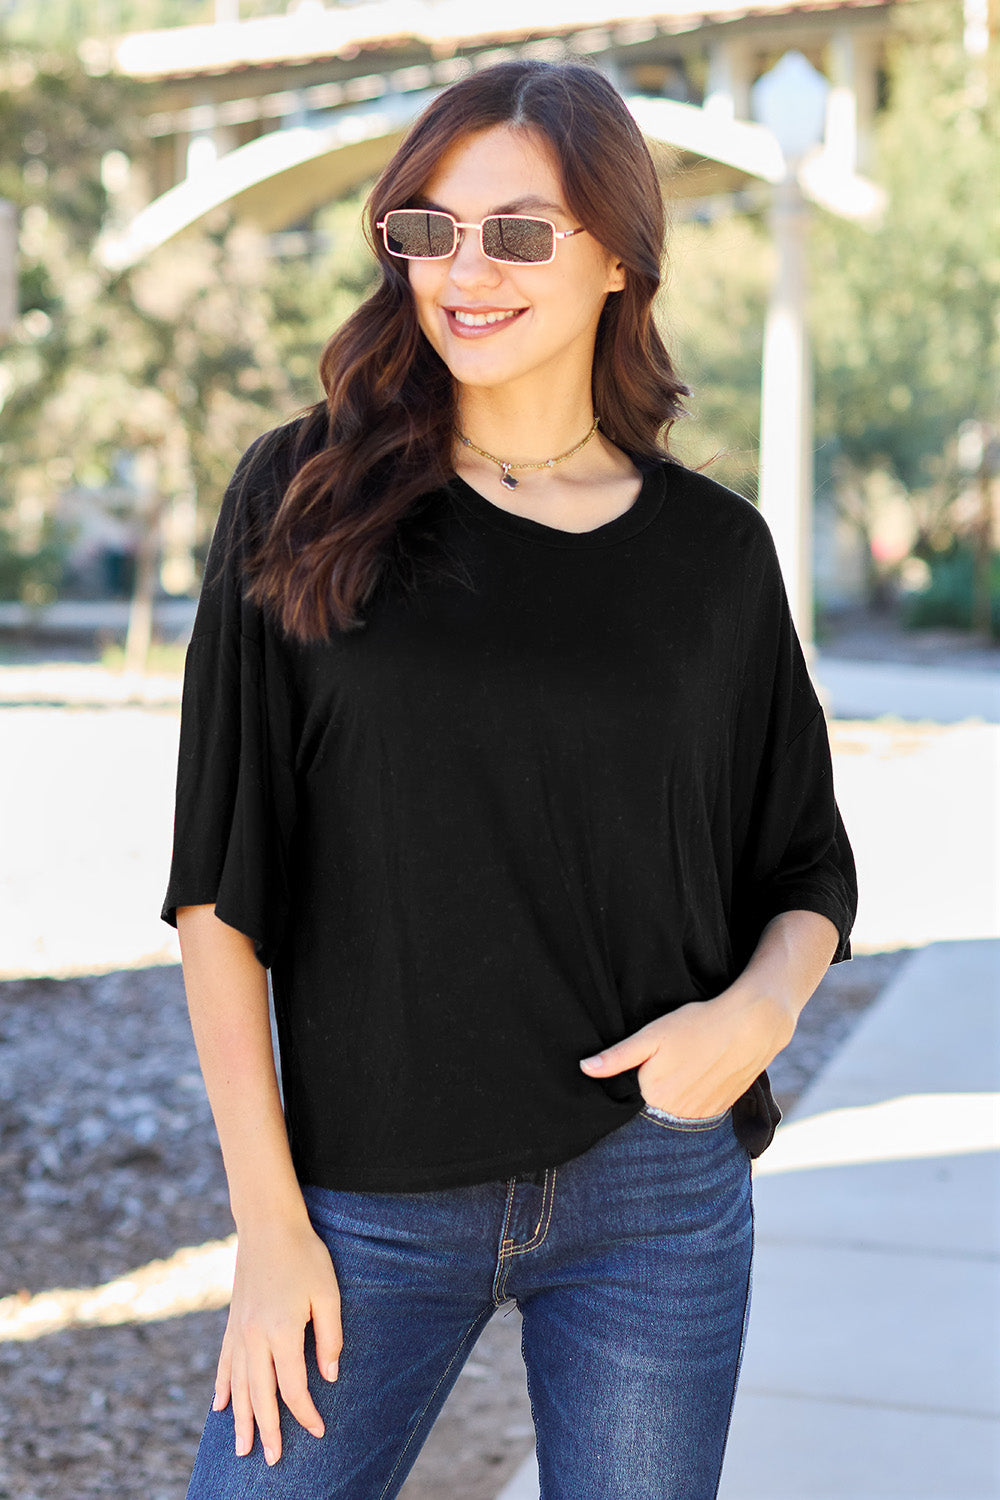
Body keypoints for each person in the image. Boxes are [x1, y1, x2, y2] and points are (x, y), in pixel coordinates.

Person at [162, 58, 857, 1500]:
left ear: (615, 256)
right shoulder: (300, 501)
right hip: (360, 1204)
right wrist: (268, 1222)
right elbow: (222, 893)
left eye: (521, 233)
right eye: (431, 227)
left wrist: (757, 1013)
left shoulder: (715, 558)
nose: (465, 271)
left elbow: (803, 867)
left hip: (653, 1193)